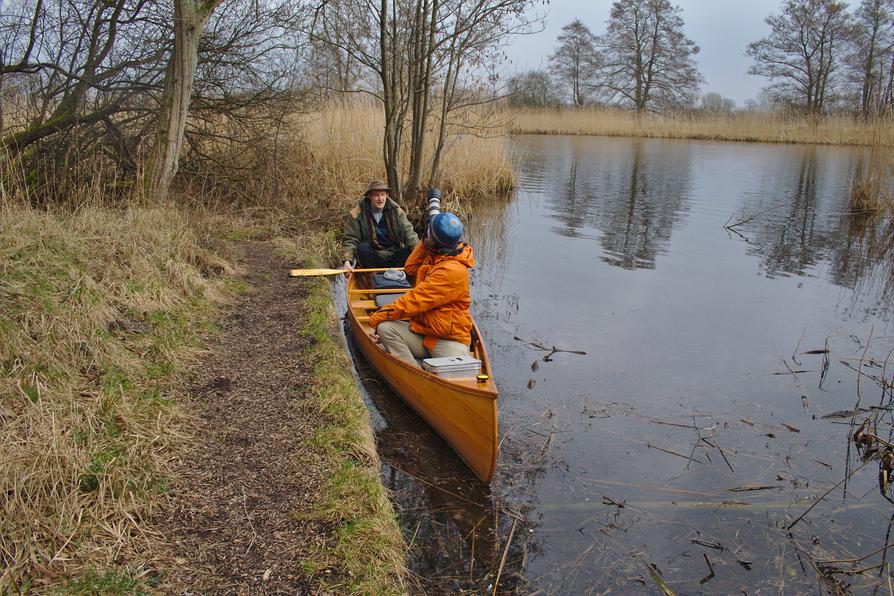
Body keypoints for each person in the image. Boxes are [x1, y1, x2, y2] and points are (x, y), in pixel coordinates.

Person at [367, 212, 474, 367]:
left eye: (428, 233)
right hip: (424, 333)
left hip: (448, 339)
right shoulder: (436, 256)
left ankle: (428, 381)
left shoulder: (452, 271)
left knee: (459, 375)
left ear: (437, 245)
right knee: (386, 329)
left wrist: (376, 318)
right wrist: (426, 243)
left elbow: (414, 301)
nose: (426, 235)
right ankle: (414, 373)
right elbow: (410, 269)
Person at [342, 181, 418, 271]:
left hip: (393, 256)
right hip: (372, 258)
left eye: (383, 194)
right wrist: (347, 261)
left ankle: (396, 275)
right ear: (369, 196)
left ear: (386, 195)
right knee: (362, 249)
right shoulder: (356, 214)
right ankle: (372, 277)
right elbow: (350, 239)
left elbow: (409, 233)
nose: (380, 198)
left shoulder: (397, 211)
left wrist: (419, 254)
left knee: (409, 251)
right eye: (376, 195)